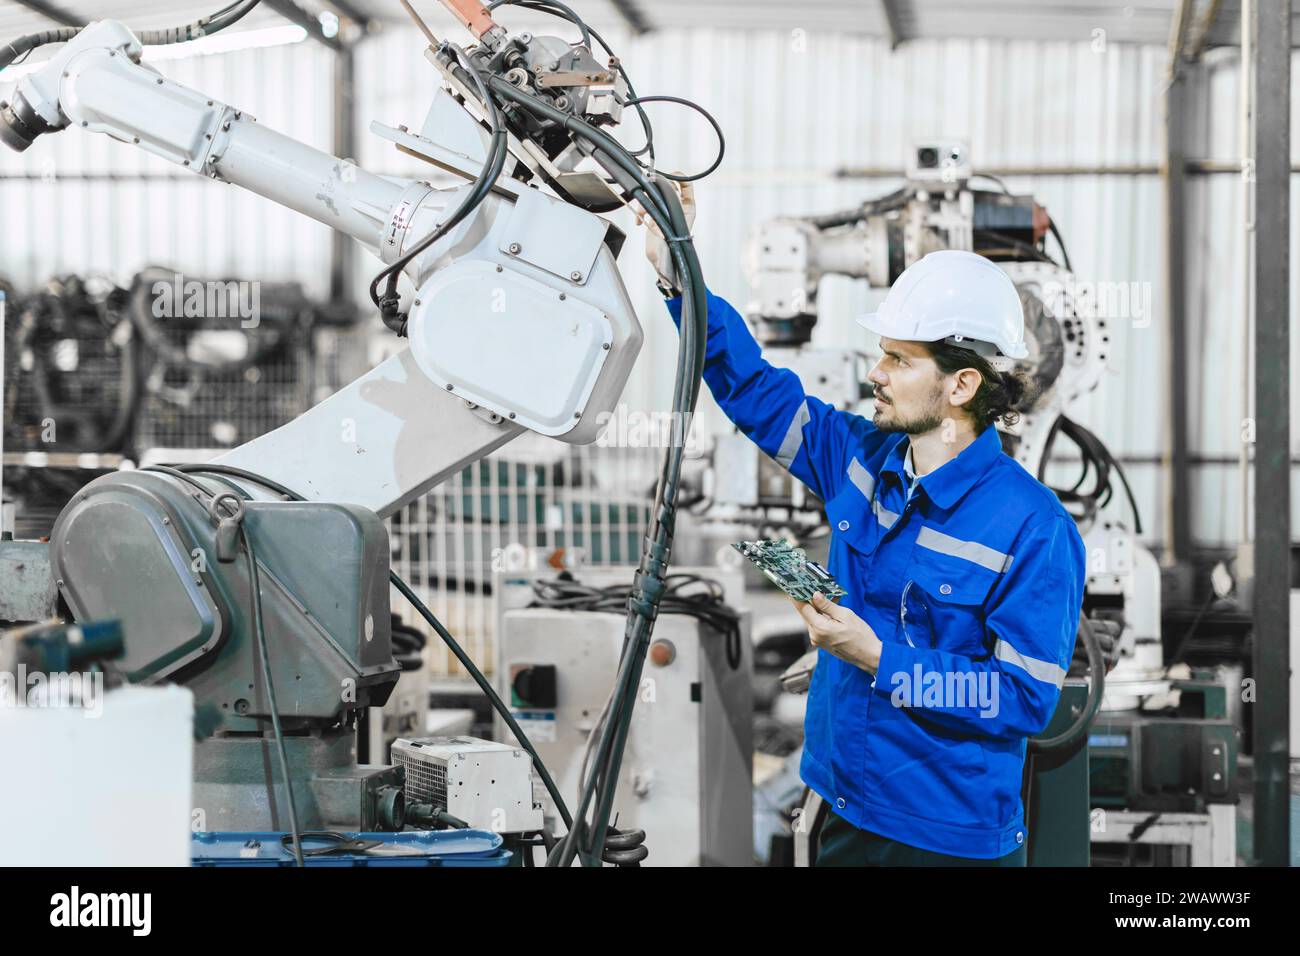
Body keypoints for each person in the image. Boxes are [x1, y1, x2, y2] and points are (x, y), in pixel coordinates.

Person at [645, 182, 1086, 866]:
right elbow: (753, 388)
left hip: (943, 839)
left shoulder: (1034, 528)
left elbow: (1022, 698)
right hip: (839, 805)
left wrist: (877, 657)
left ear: (960, 385)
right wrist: (678, 269)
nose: (874, 374)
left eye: (899, 360)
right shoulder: (856, 457)